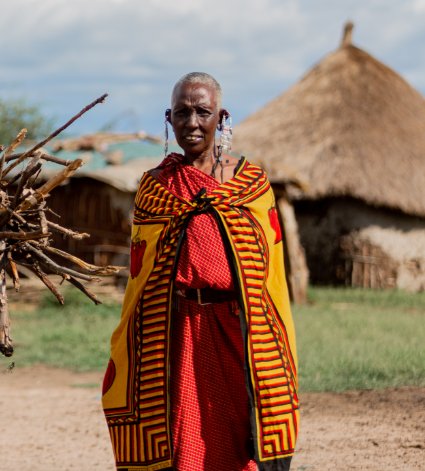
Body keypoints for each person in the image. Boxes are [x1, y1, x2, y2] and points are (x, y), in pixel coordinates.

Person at [102, 73, 299, 471]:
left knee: (243, 428)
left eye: (202, 112)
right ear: (168, 118)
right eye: (182, 113)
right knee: (186, 437)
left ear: (221, 116)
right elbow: (141, 275)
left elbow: (272, 271)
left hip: (240, 328)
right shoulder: (155, 188)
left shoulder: (252, 184)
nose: (192, 122)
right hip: (178, 330)